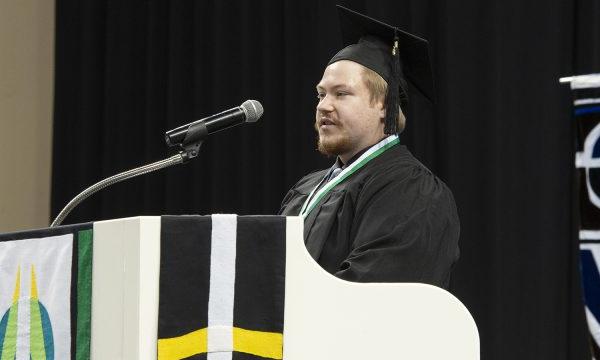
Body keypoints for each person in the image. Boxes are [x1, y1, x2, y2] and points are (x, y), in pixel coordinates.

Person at [279, 6, 459, 289]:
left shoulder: (411, 190)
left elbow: (370, 298)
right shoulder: (307, 188)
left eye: (341, 94)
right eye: (321, 94)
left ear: (384, 106)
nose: (323, 106)